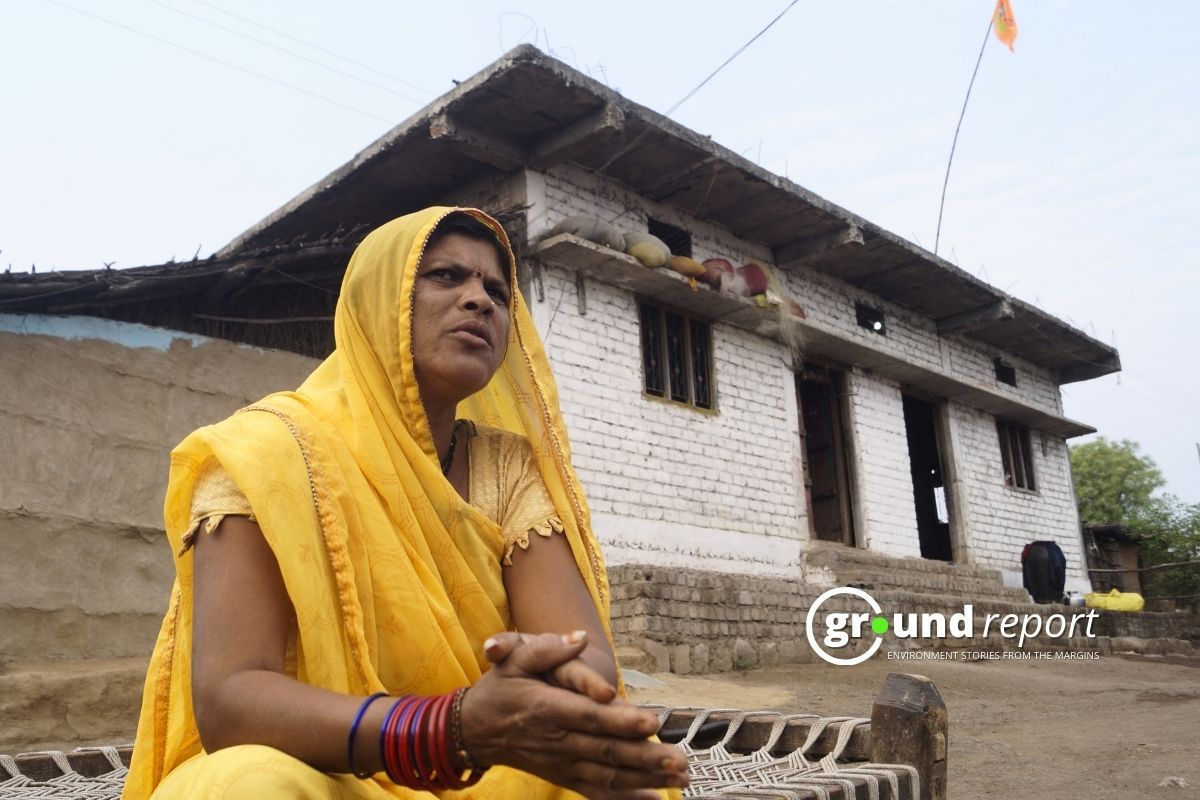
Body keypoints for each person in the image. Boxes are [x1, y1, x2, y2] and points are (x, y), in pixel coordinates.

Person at [122, 207, 689, 799]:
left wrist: (561, 676)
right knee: (247, 786)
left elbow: (587, 653)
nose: (481, 301)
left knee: (627, 769)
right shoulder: (267, 454)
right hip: (332, 768)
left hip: (488, 766)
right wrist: (444, 729)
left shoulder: (509, 467)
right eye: (447, 276)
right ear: (377, 299)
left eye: (497, 289)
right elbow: (230, 701)